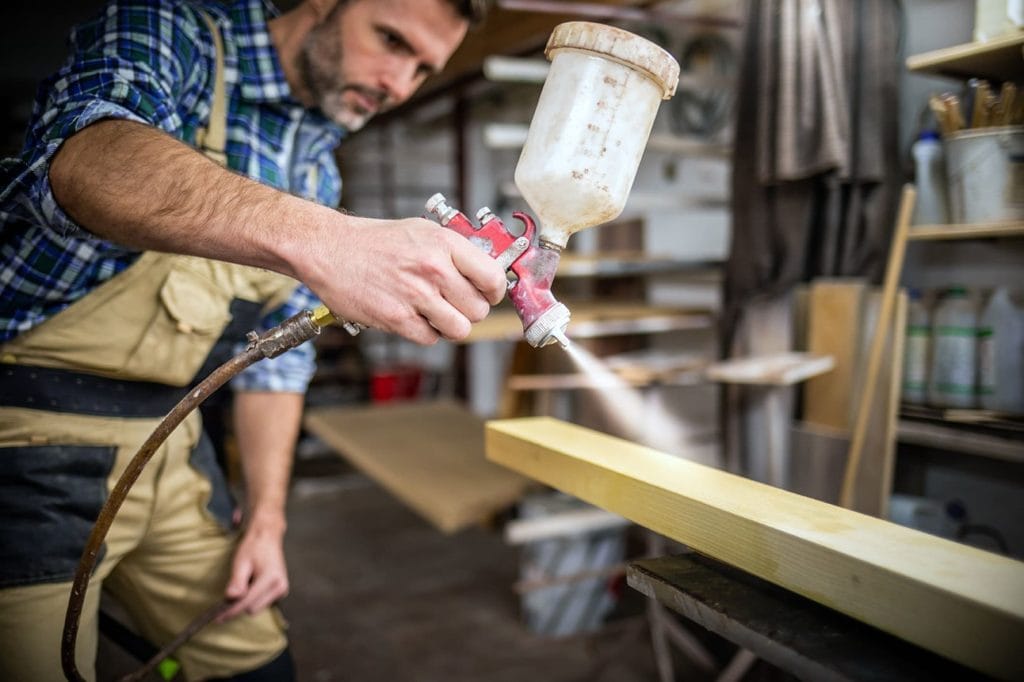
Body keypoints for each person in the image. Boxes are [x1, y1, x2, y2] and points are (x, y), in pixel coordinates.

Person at [0, 0, 504, 679]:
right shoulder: (174, 31)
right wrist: (329, 239)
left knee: (259, 665)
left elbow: (274, 371)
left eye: (422, 68)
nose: (398, 84)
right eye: (389, 40)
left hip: (169, 448)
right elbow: (81, 155)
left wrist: (267, 521)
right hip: (25, 443)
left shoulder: (315, 168)